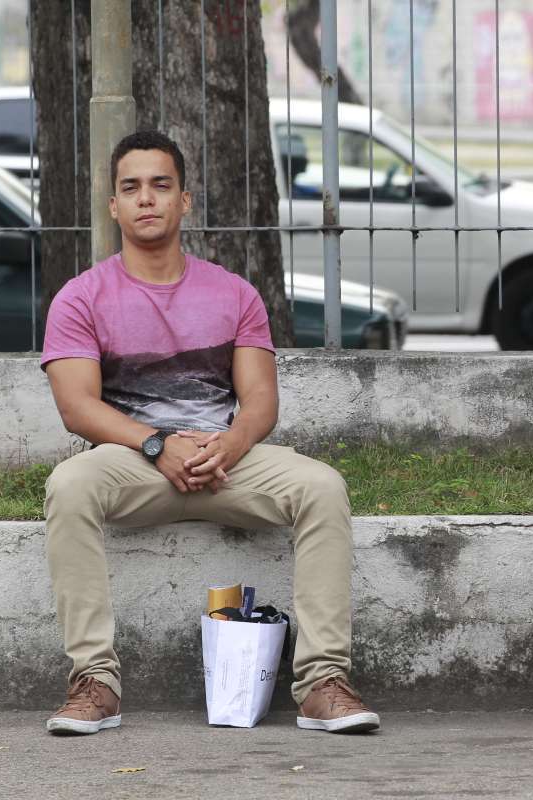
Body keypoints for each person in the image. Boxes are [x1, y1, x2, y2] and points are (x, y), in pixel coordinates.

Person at [39, 130, 378, 736]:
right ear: (113, 206)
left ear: (185, 201)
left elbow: (260, 402)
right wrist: (154, 443)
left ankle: (321, 684)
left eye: (161, 185)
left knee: (321, 486)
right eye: (131, 188)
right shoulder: (81, 298)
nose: (147, 199)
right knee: (69, 485)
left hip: (223, 461)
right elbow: (77, 407)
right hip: (134, 463)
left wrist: (229, 443)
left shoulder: (234, 293)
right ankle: (95, 683)